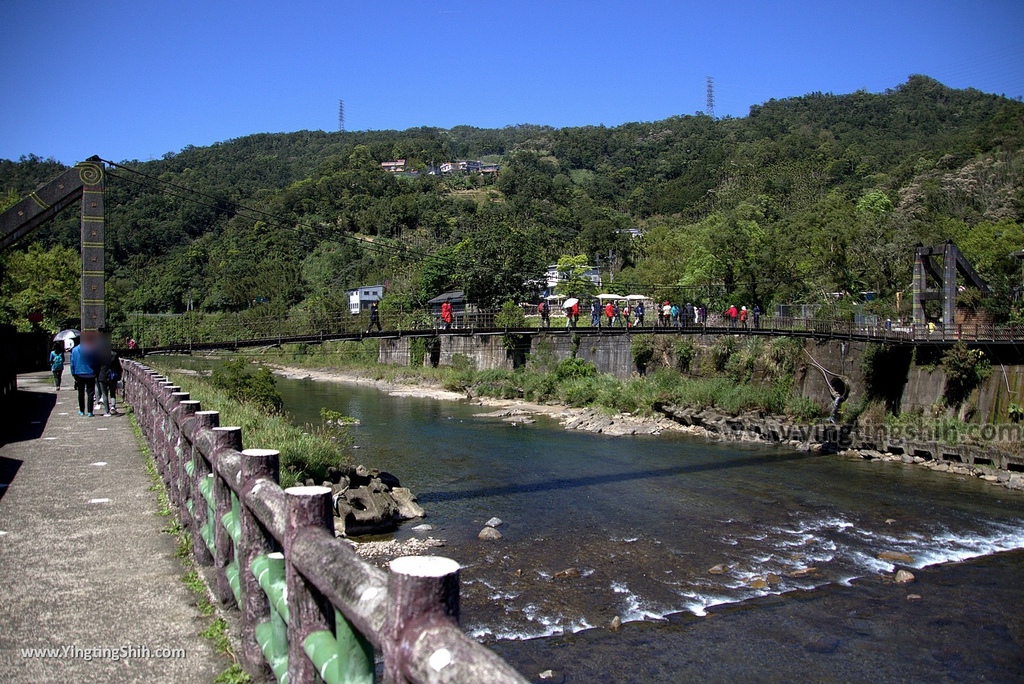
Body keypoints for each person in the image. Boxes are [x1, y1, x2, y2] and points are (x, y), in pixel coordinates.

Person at [70, 335, 98, 417]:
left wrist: (73, 373)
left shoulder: (74, 350)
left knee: (81, 392)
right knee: (90, 393)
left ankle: (81, 410)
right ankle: (90, 411)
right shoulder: (92, 349)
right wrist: (96, 371)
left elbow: (72, 363)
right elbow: (96, 362)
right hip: (90, 373)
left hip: (79, 373)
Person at [98, 350, 123, 416]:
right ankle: (113, 406)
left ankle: (107, 411)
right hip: (112, 376)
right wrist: (119, 377)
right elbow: (118, 367)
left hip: (102, 376)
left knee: (104, 394)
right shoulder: (114, 354)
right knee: (112, 393)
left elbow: (96, 366)